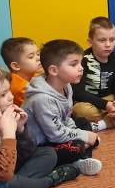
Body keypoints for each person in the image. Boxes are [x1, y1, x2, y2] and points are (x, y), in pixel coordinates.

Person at [0, 64, 79, 188]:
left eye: (9, 91)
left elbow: (26, 153)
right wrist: (8, 135)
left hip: (6, 168)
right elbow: (0, 171)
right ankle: (48, 181)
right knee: (4, 183)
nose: (11, 97)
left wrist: (21, 129)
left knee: (47, 153)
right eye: (3, 94)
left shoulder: (0, 117)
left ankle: (23, 186)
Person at [23, 40, 103, 172]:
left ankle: (81, 155)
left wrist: (78, 132)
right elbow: (55, 135)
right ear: (54, 70)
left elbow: (66, 117)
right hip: (41, 144)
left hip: (55, 131)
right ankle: (78, 160)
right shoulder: (42, 99)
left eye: (80, 63)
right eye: (74, 64)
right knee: (72, 148)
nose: (81, 68)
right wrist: (84, 136)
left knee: (83, 122)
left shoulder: (66, 86)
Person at [71, 17, 115, 132]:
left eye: (112, 40)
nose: (108, 44)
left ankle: (104, 122)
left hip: (111, 98)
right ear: (90, 41)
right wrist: (105, 105)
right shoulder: (83, 60)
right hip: (90, 102)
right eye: (102, 40)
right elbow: (78, 93)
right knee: (80, 111)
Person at [0, 37, 41, 108]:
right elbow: (39, 105)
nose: (38, 58)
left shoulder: (33, 73)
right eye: (31, 57)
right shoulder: (21, 88)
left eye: (38, 54)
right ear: (16, 66)